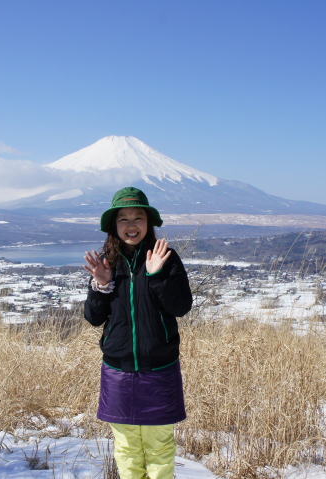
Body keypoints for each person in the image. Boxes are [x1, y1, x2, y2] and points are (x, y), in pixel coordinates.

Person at [83, 186, 193, 479]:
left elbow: (181, 306)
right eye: (123, 219)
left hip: (160, 368)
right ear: (113, 226)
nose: (131, 225)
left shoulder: (165, 257)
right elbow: (93, 318)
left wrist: (157, 276)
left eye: (138, 217)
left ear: (149, 223)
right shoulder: (107, 262)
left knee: (159, 447)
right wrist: (101, 286)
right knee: (127, 447)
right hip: (118, 369)